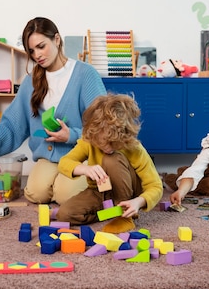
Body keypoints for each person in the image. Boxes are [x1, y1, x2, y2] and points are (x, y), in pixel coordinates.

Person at [0, 17, 106, 205]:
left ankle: (90, 183)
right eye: (32, 51)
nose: (37, 55)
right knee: (35, 194)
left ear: (57, 39)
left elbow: (104, 126)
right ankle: (63, 183)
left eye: (41, 46)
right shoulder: (31, 82)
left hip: (80, 154)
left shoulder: (85, 74)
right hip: (49, 157)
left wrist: (71, 135)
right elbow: (12, 124)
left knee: (64, 195)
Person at [56, 94, 163, 232]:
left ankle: (125, 217)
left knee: (111, 159)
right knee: (64, 214)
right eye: (102, 142)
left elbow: (155, 186)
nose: (107, 147)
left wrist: (138, 202)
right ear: (93, 134)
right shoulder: (89, 140)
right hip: (100, 192)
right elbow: (64, 162)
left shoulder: (135, 148)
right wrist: (84, 169)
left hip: (128, 193)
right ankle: (111, 212)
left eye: (113, 143)